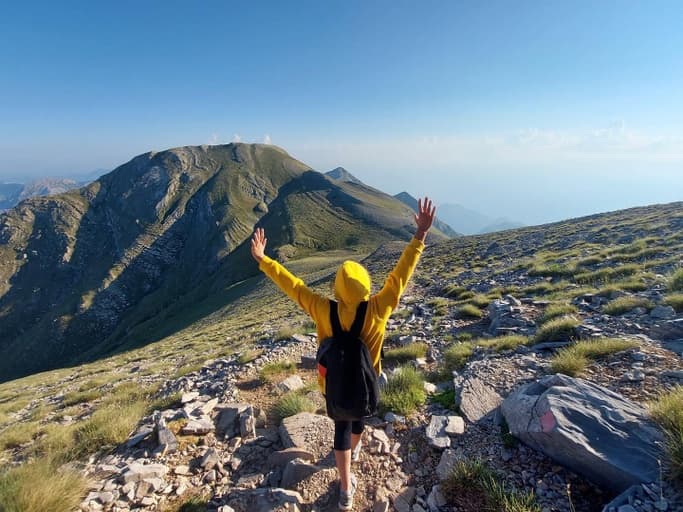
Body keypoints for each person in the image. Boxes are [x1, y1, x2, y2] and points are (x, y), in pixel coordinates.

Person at [250, 197, 436, 510]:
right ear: (366, 286)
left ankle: (346, 489)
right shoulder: (380, 307)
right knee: (359, 417)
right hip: (367, 381)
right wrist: (420, 235)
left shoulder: (323, 308)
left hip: (332, 383)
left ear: (337, 288)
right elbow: (401, 273)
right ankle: (356, 448)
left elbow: (292, 285)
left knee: (339, 427)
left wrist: (263, 260)